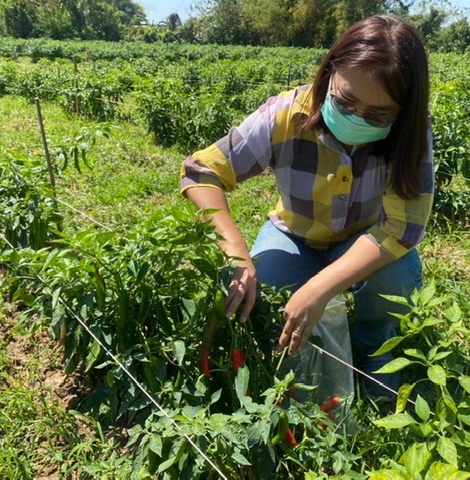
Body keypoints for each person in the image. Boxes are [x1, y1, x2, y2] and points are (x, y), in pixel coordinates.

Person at [180, 15, 433, 398]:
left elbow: (402, 226)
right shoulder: (286, 115)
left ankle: (377, 348)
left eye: (378, 114)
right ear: (329, 72)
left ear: (402, 110)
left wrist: (320, 289)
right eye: (345, 100)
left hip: (363, 238)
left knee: (393, 278)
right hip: (294, 233)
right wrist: (237, 256)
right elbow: (201, 173)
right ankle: (289, 362)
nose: (356, 118)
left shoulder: (411, 133)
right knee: (258, 293)